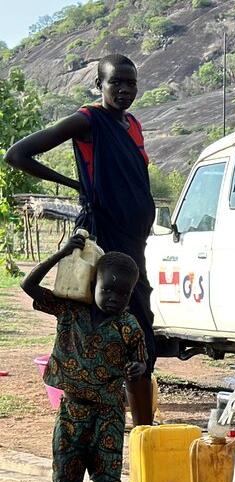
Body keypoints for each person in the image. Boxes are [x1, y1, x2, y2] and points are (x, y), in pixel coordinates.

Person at [5, 54, 157, 427]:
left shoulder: (133, 125)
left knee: (140, 336)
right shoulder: (88, 120)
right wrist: (76, 185)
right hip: (105, 238)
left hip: (134, 243)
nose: (123, 89)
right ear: (99, 86)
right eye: (115, 82)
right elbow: (17, 155)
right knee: (104, 331)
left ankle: (142, 434)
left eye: (130, 83)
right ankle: (104, 429)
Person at [21, 234, 146, 482]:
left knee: (105, 480)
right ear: (92, 283)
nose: (115, 298)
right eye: (107, 289)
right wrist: (61, 254)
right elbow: (29, 286)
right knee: (63, 476)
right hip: (72, 408)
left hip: (109, 411)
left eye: (123, 292)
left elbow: (140, 362)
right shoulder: (69, 311)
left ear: (131, 294)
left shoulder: (129, 326)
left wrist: (136, 368)